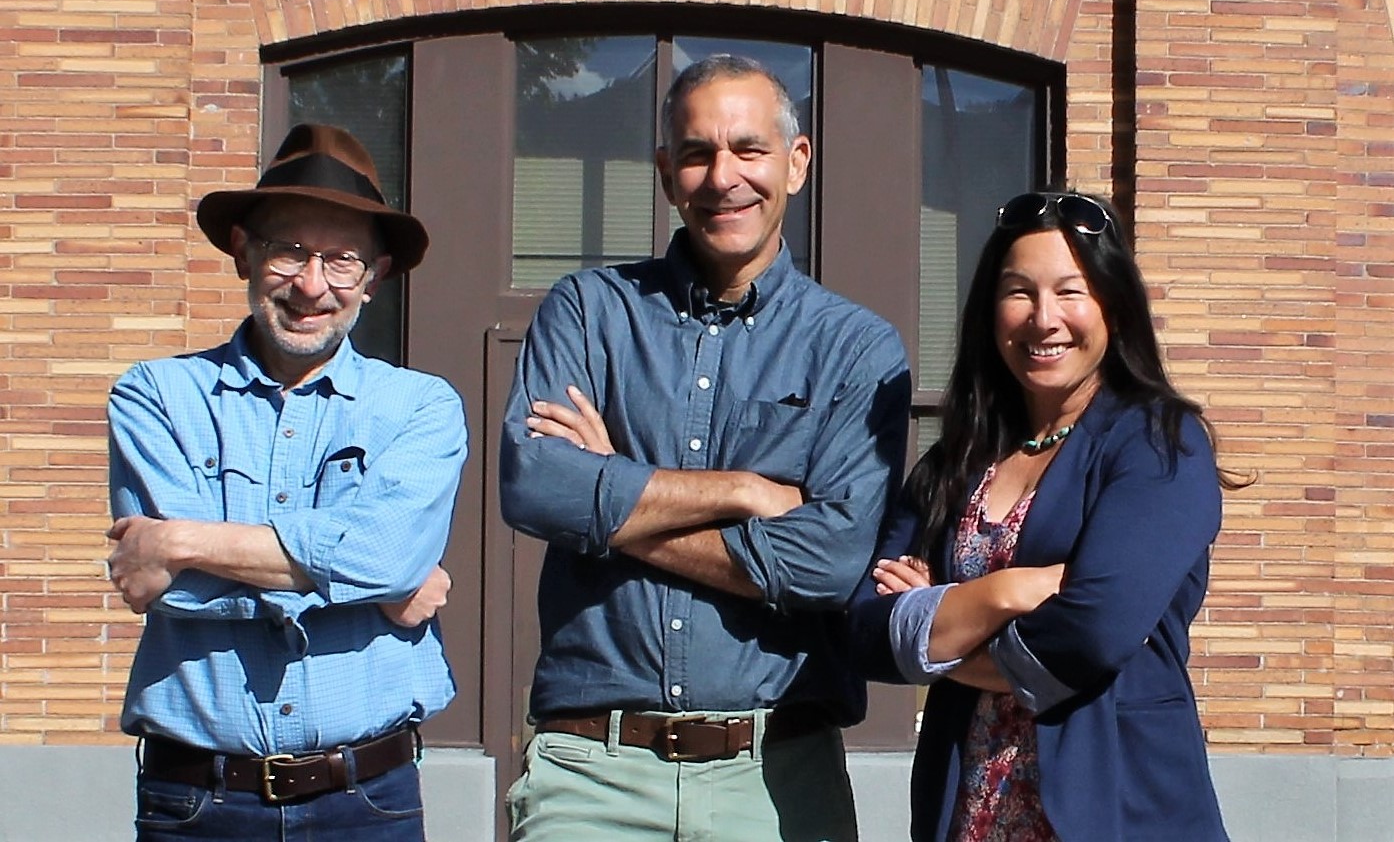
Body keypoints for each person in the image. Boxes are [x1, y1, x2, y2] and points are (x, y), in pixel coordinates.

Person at [499, 53, 912, 842]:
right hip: (592, 772)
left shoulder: (856, 348)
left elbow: (826, 562)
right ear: (665, 171)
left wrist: (611, 494)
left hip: (775, 774)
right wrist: (744, 492)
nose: (724, 176)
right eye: (696, 153)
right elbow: (534, 484)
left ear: (796, 163)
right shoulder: (588, 311)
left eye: (749, 150)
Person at [106, 123, 468, 841]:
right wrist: (373, 580)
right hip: (196, 802)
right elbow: (166, 587)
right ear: (244, 250)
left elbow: (383, 557)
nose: (311, 284)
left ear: (375, 275)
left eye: (340, 259)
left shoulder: (422, 405)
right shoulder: (154, 394)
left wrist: (180, 539)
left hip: (368, 799)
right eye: (290, 251)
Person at [848, 190, 1235, 842]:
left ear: (1113, 303)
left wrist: (940, 629)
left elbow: (1095, 631)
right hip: (966, 812)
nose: (1044, 318)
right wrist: (1010, 589)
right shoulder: (960, 458)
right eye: (1019, 291)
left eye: (1070, 291)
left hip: (1118, 811)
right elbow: (862, 627)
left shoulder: (1159, 442)